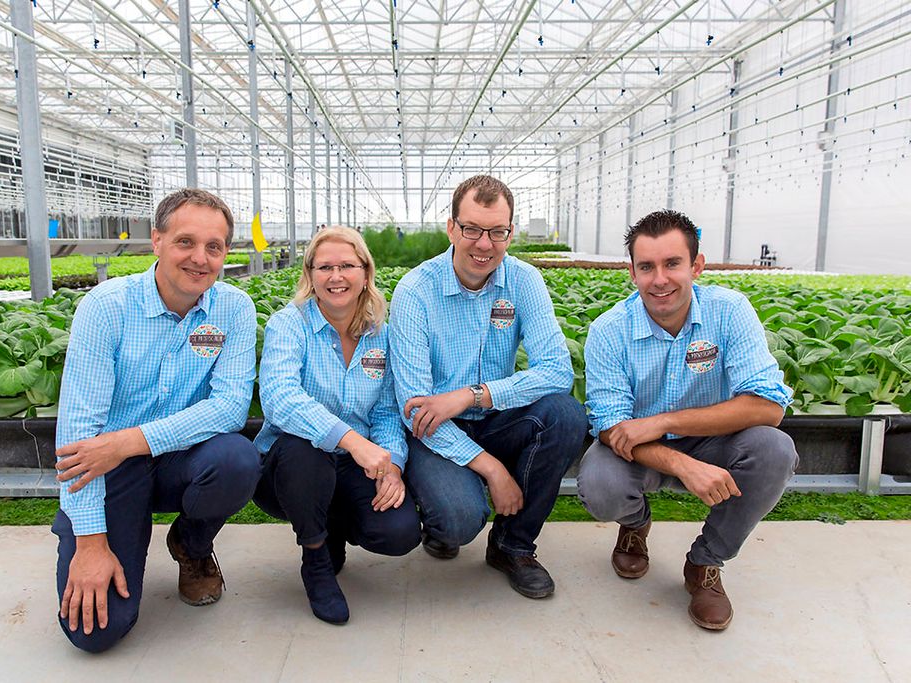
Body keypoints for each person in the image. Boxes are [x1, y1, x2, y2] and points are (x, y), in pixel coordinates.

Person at [52, 189, 261, 652]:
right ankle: (90, 527)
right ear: (157, 241)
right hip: (107, 467)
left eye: (215, 247)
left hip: (174, 459)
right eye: (186, 242)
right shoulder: (107, 307)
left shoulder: (234, 309)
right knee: (95, 633)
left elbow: (228, 407)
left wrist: (127, 441)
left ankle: (191, 544)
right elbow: (77, 434)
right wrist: (89, 544)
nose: (200, 259)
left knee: (238, 460)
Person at [578, 209, 798, 631]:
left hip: (709, 440)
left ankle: (705, 563)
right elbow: (610, 426)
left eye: (672, 263)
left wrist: (663, 421)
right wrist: (681, 463)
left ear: (697, 265)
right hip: (638, 451)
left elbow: (769, 407)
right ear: (632, 273)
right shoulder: (609, 330)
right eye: (647, 267)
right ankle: (634, 525)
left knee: (774, 450)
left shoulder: (729, 311)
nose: (659, 279)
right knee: (600, 485)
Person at [389, 175, 588, 599]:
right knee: (460, 519)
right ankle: (444, 522)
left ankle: (512, 545)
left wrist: (472, 395)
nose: (484, 244)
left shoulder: (523, 281)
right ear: (451, 228)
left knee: (566, 415)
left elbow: (556, 371)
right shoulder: (416, 292)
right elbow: (414, 407)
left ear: (510, 233)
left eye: (497, 232)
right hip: (434, 430)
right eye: (472, 229)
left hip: (494, 419)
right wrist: (493, 469)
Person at [253, 227, 420, 624]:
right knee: (304, 448)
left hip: (352, 463)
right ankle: (315, 559)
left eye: (347, 265)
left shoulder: (381, 334)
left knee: (399, 532)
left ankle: (330, 530)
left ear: (365, 272)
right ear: (309, 275)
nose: (336, 276)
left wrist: (391, 465)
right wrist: (351, 440)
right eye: (324, 267)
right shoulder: (288, 325)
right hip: (288, 467)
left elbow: (385, 412)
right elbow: (280, 399)